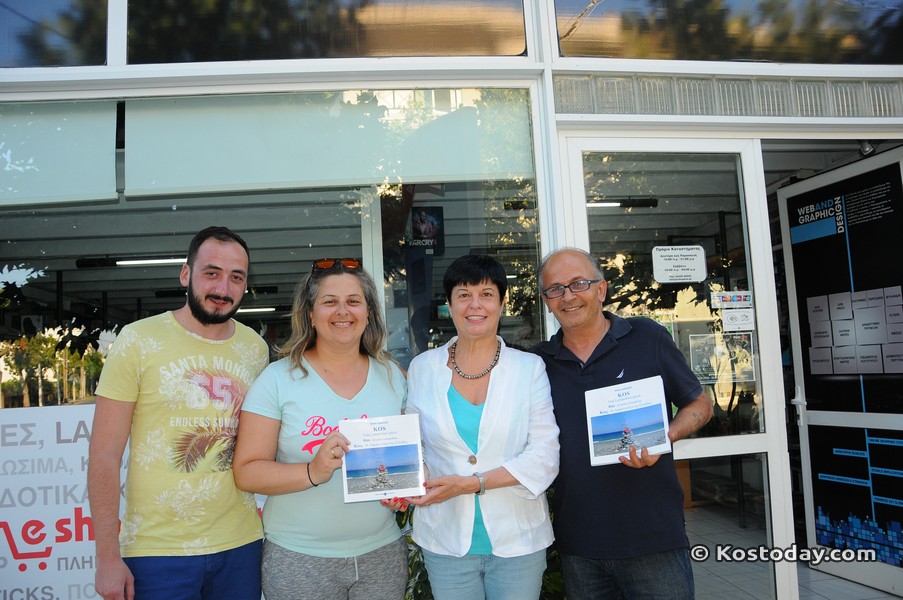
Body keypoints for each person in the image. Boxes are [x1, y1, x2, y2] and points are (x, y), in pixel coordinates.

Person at [88, 226, 270, 600]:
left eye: (236, 277)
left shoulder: (255, 349)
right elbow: (104, 455)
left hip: (240, 544)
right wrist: (106, 556)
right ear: (186, 274)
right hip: (156, 551)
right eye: (212, 273)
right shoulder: (138, 340)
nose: (223, 288)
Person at [532, 248, 714, 600]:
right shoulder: (539, 364)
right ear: (547, 301)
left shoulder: (647, 337)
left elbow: (700, 404)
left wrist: (664, 437)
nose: (568, 296)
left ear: (601, 289)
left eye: (578, 284)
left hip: (653, 540)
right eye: (555, 289)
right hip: (580, 545)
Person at [232, 258, 408, 600]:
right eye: (329, 301)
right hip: (299, 558)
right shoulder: (277, 380)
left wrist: (403, 488)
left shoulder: (392, 376)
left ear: (368, 313)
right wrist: (313, 471)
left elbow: (404, 459)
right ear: (310, 314)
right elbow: (246, 472)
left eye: (353, 301)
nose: (343, 311)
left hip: (382, 554)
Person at [405, 254, 560, 600]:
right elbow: (415, 447)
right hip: (445, 540)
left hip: (518, 541)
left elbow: (545, 455)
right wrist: (413, 477)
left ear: (502, 303)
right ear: (449, 305)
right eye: (463, 295)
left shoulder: (529, 368)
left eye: (487, 294)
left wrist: (474, 483)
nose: (475, 305)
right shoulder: (422, 368)